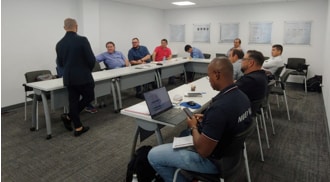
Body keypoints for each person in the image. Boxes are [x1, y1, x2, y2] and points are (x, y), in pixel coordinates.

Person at [148, 57, 252, 182]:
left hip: (214, 162)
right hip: (232, 157)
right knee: (182, 136)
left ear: (217, 74)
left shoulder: (219, 109)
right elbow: (229, 121)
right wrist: (208, 118)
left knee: (154, 155)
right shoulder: (243, 97)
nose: (209, 81)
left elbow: (203, 151)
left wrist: (193, 126)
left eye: (209, 77)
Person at [56, 18, 95, 136]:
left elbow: (60, 63)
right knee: (89, 97)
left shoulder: (59, 44)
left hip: (68, 77)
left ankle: (77, 126)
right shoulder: (82, 40)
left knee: (73, 101)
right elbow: (91, 59)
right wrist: (86, 70)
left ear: (64, 28)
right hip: (83, 76)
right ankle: (69, 117)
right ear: (76, 26)